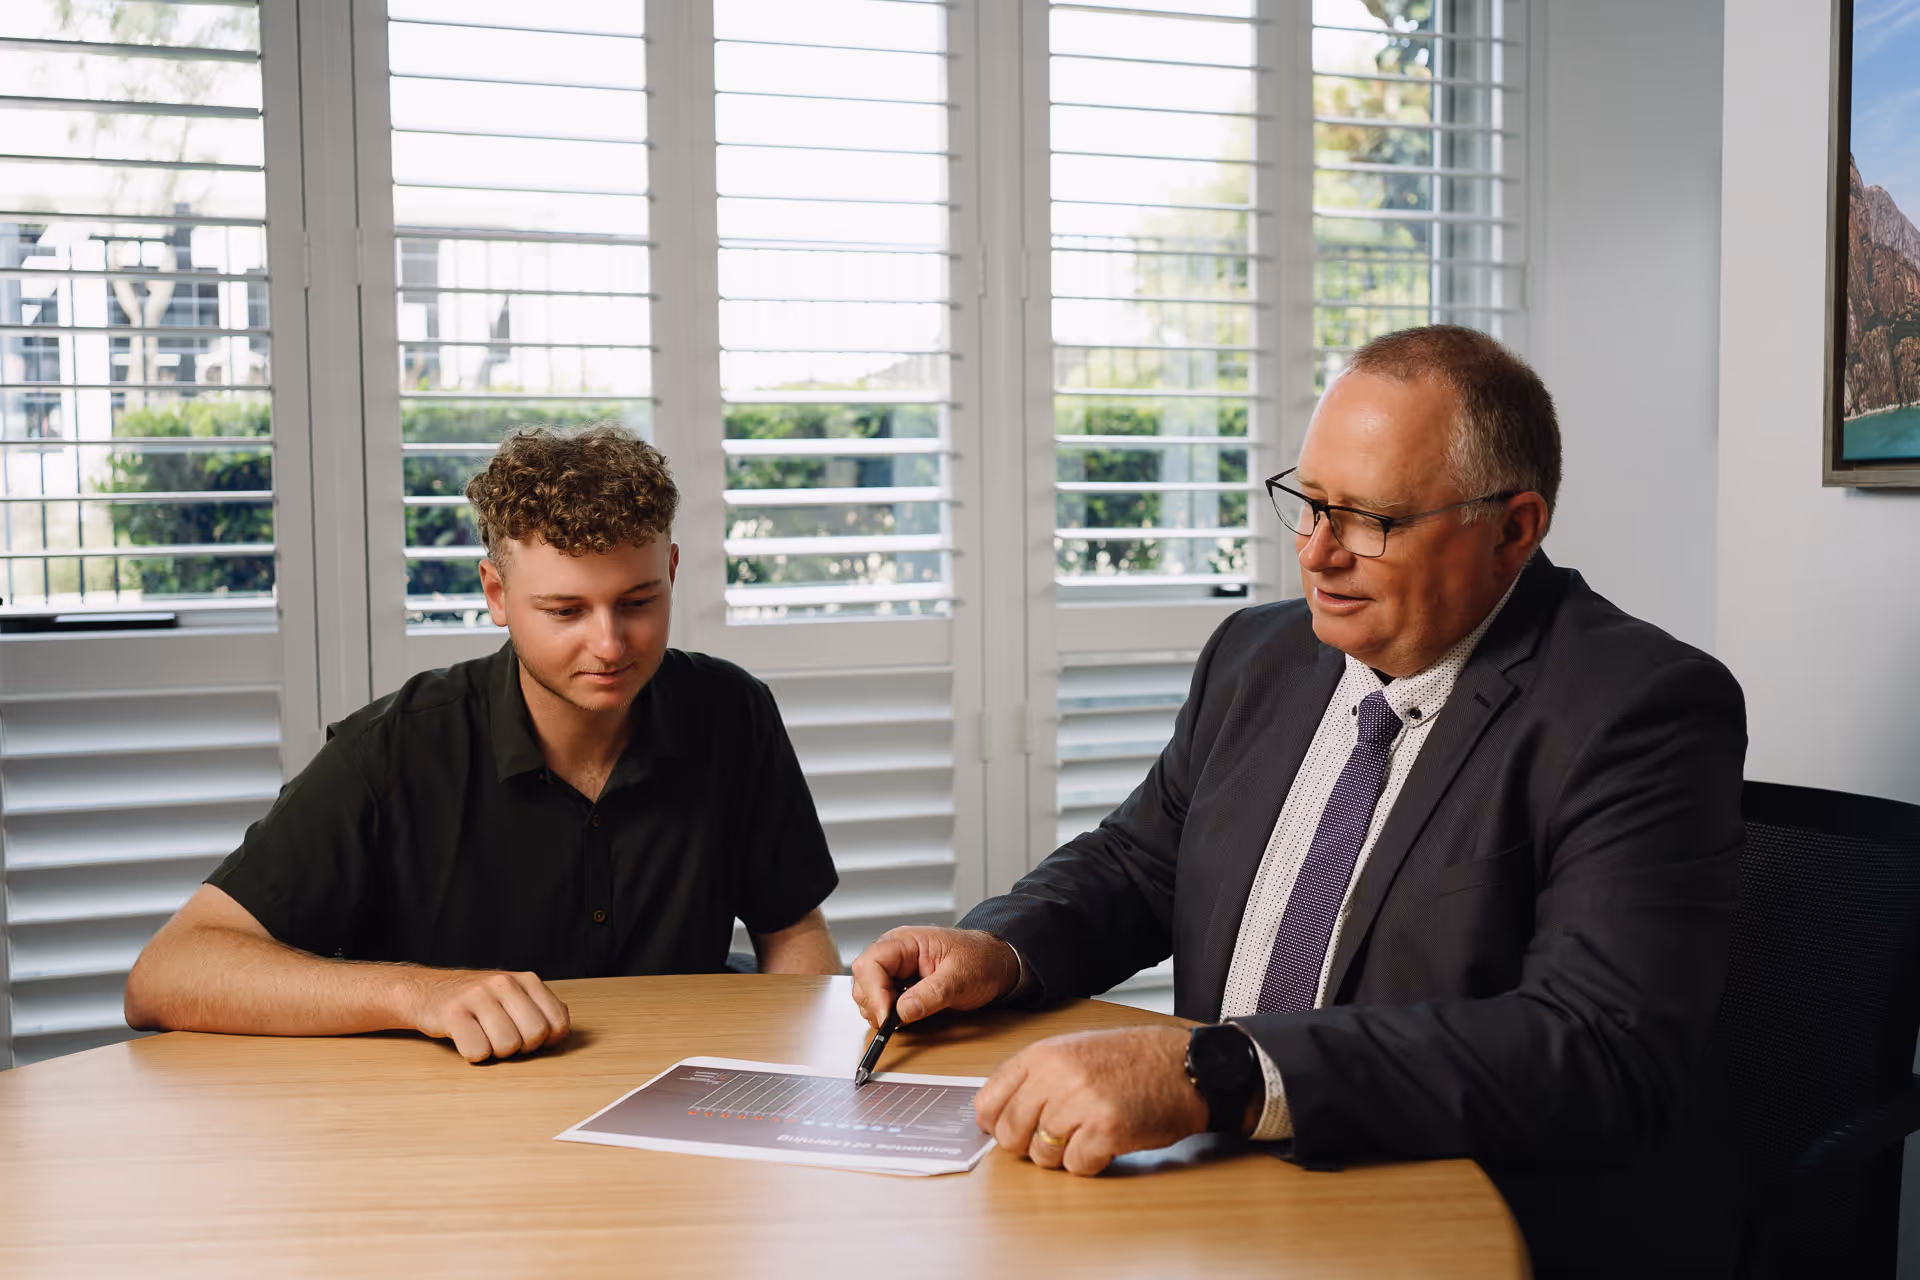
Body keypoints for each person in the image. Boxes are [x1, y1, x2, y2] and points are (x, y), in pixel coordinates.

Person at [849, 327, 1746, 1277]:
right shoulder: (1260, 654)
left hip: (1448, 1218)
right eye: (1310, 504)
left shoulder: (1636, 707)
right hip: (1212, 1197)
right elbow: (1143, 862)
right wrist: (1000, 947)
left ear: (1514, 528)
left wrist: (1216, 1073)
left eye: (1372, 521)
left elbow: (1593, 1046)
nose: (1317, 554)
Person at [127, 425, 842, 1063]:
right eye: (565, 610)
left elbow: (792, 937)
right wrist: (418, 994)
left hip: (684, 1117)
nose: (609, 644)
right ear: (496, 594)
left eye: (638, 602)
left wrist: (804, 1091)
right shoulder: (394, 749)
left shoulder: (732, 711)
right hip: (447, 1142)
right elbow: (168, 974)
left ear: (673, 571)